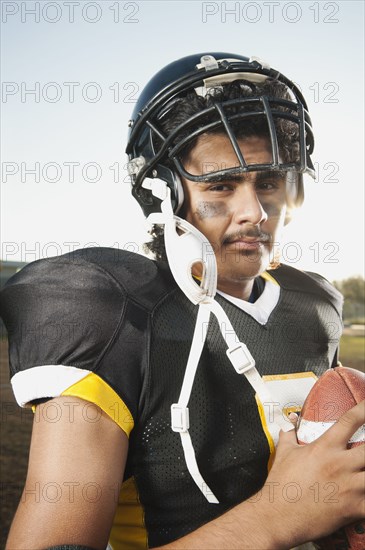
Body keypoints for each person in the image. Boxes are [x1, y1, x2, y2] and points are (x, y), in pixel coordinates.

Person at [1, 52, 364, 550]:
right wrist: (277, 517)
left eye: (270, 182)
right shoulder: (112, 309)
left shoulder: (313, 300)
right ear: (164, 193)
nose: (255, 212)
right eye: (221, 185)